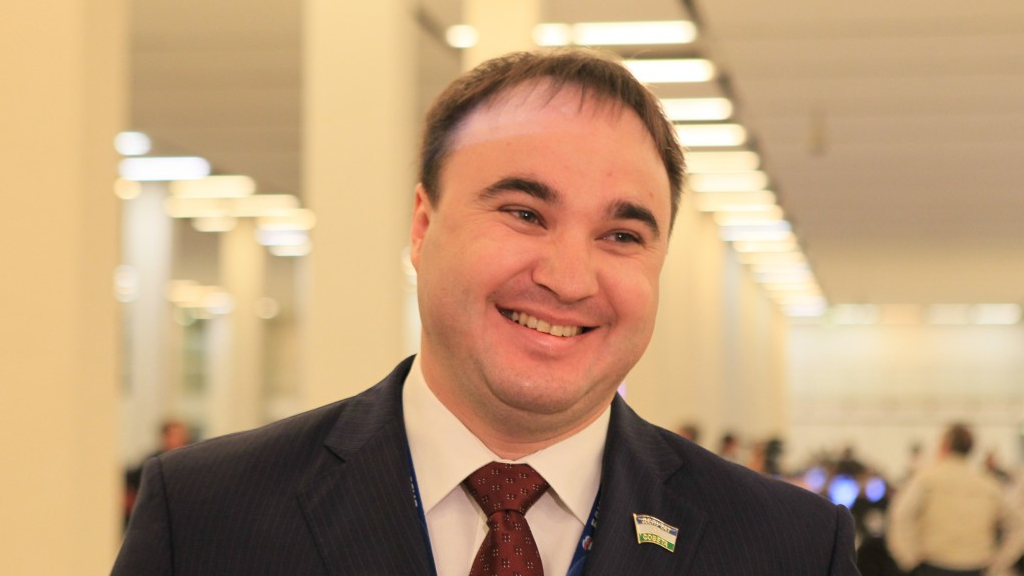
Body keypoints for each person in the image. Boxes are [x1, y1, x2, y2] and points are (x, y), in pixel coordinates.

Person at [112, 48, 858, 576]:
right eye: (525, 214)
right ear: (422, 227)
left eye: (622, 236)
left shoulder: (789, 547)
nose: (569, 279)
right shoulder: (208, 514)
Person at [886, 423, 1024, 576]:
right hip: (976, 566)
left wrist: (909, 559)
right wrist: (999, 563)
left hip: (933, 565)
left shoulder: (926, 480)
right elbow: (1018, 525)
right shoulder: (988, 484)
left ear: (944, 446)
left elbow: (900, 516)